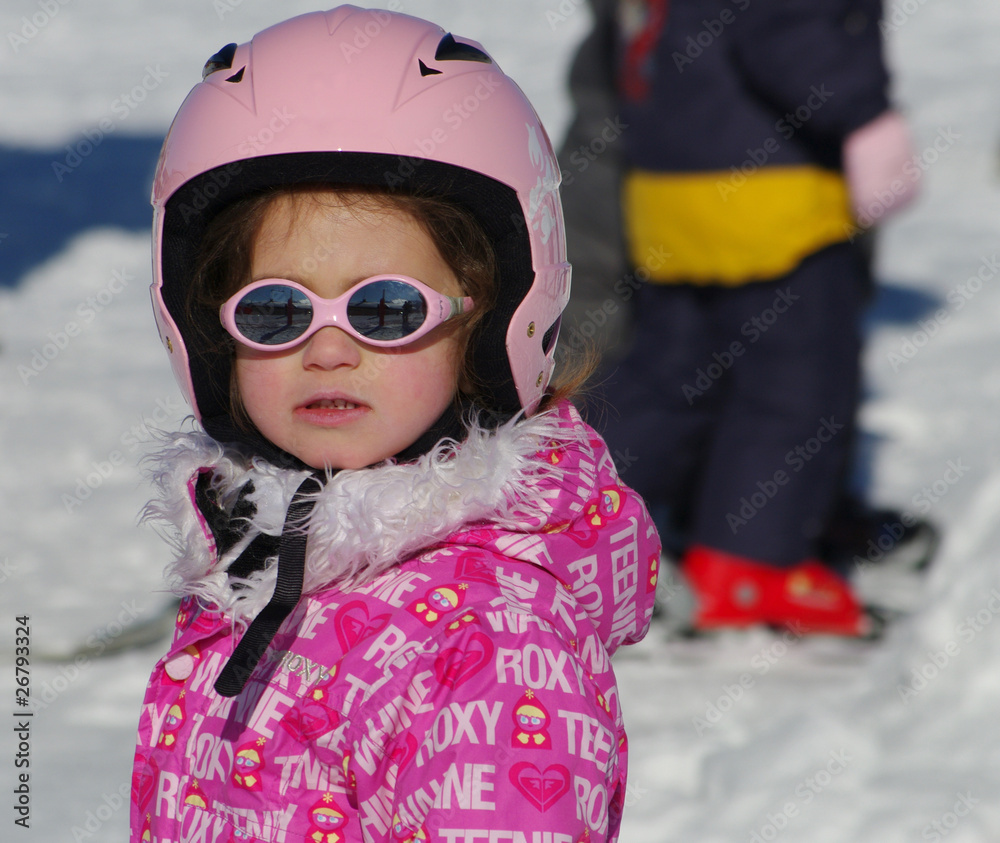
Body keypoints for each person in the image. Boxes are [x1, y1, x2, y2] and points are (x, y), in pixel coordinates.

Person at [131, 7, 658, 842]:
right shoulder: (273, 561)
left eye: (385, 309)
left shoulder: (487, 642)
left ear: (497, 321)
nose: (329, 349)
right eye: (275, 310)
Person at [559, 0, 921, 636]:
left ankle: (574, 523)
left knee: (669, 379)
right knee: (795, 389)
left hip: (668, 201)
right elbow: (791, 29)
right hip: (771, 206)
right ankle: (751, 565)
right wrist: (865, 115)